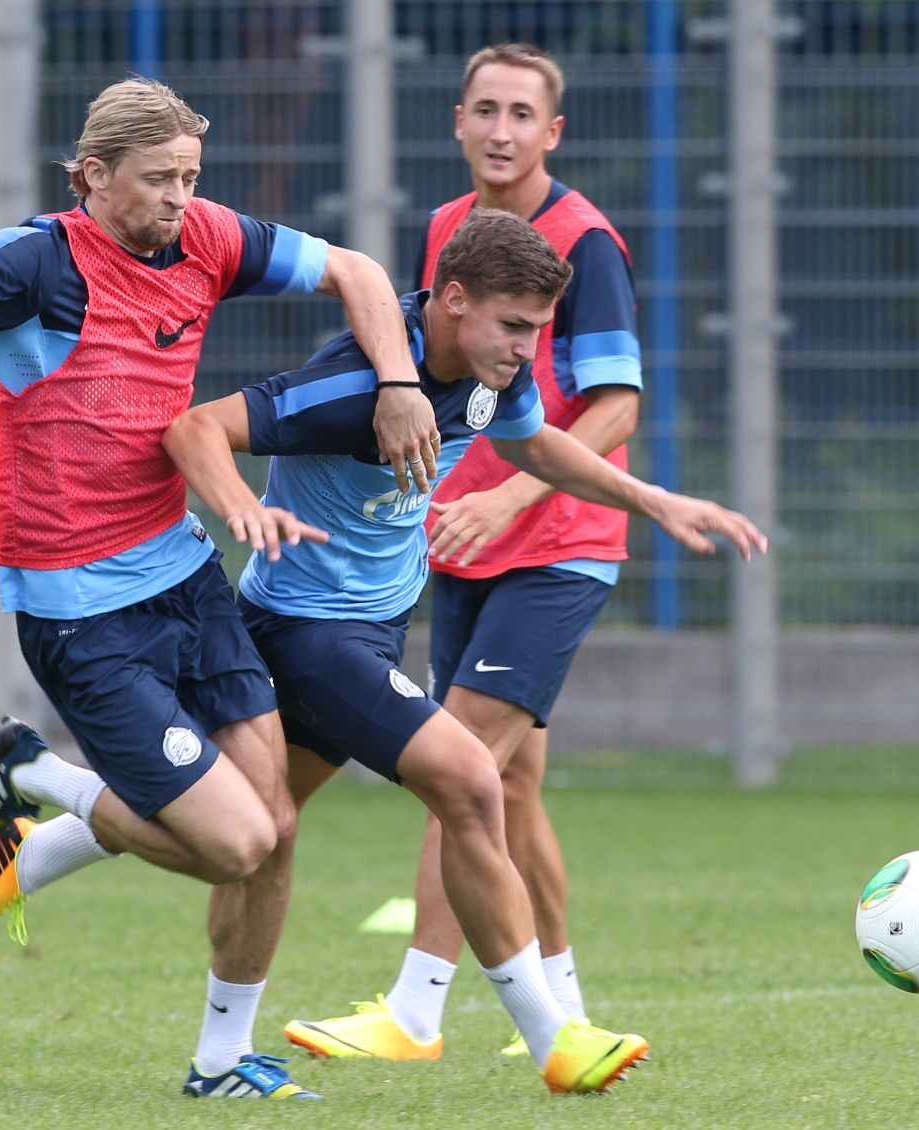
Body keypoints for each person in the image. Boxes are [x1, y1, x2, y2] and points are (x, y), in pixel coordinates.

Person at [0, 78, 438, 1101]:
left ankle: (218, 1061)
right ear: (91, 176)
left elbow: (358, 272)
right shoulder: (39, 261)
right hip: (78, 608)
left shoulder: (206, 236)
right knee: (237, 841)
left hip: (182, 572)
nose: (178, 197)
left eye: (190, 177)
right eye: (158, 179)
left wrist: (398, 383)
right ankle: (39, 777)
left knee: (277, 826)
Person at [163, 208, 765, 1093]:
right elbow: (193, 428)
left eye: (539, 330)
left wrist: (654, 500)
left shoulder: (480, 376)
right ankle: (556, 1040)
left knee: (250, 831)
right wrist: (241, 510)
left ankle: (46, 819)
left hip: (363, 631)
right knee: (471, 780)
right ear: (452, 301)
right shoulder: (359, 390)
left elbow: (533, 443)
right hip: (304, 636)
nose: (528, 350)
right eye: (514, 326)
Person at [287, 42, 658, 1061]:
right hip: (457, 544)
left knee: (453, 765)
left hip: (557, 547)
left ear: (553, 131)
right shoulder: (452, 231)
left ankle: (416, 1008)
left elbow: (618, 405)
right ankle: (567, 1011)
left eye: (520, 113)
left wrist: (513, 499)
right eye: (483, 109)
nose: (500, 128)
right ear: (456, 121)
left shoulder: (585, 242)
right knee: (512, 788)